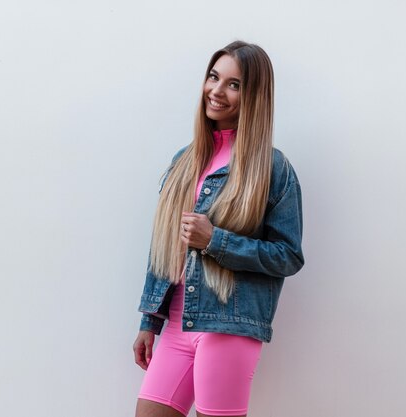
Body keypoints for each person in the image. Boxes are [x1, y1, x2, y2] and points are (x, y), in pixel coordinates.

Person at [132, 41, 305, 417]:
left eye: (234, 84)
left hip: (228, 326)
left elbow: (288, 256)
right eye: (214, 77)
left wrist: (216, 241)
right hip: (177, 325)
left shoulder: (272, 169)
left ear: (254, 95)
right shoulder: (185, 159)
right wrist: (150, 320)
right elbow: (163, 246)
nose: (216, 91)